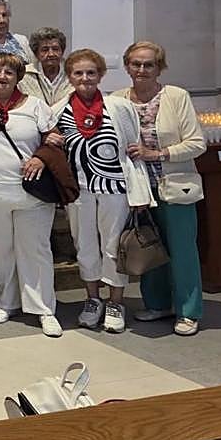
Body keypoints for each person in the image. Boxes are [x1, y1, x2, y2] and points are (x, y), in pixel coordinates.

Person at [49, 49, 152, 334]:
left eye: (91, 73)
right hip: (78, 189)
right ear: (69, 76)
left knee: (113, 246)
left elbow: (133, 151)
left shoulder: (119, 107)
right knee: (84, 246)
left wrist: (138, 194)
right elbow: (51, 147)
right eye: (78, 73)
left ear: (101, 75)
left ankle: (115, 302)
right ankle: (92, 299)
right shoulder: (58, 110)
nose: (85, 78)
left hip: (114, 187)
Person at [112, 41, 207, 336]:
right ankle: (157, 303)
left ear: (159, 68)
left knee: (182, 250)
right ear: (127, 66)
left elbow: (197, 143)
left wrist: (158, 154)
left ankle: (188, 311)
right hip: (137, 188)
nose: (142, 70)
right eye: (136, 64)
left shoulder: (176, 97)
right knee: (147, 244)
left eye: (148, 64)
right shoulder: (116, 99)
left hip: (174, 185)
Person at [0, 53, 62, 337]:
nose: (2, 76)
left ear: (18, 77)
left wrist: (40, 158)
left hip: (31, 191)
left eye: (9, 72)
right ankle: (6, 302)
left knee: (35, 249)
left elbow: (54, 138)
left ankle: (44, 308)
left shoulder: (35, 106)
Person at [19, 27, 71, 107]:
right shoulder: (24, 76)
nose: (51, 54)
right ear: (36, 53)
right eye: (45, 50)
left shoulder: (72, 73)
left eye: (55, 49)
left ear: (62, 51)